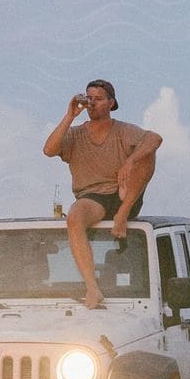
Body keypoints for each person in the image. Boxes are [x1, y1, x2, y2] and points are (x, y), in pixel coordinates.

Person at [42, 80, 161, 308]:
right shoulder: (76, 133)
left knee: (147, 151)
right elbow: (49, 150)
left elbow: (155, 138)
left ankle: (122, 215)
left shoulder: (123, 130)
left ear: (111, 103)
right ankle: (92, 288)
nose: (92, 103)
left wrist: (130, 161)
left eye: (98, 99)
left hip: (124, 193)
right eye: (89, 98)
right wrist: (70, 116)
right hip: (92, 197)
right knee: (74, 217)